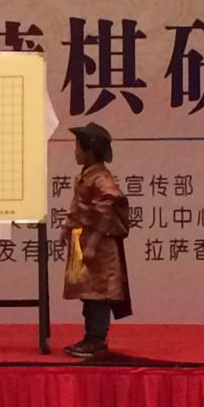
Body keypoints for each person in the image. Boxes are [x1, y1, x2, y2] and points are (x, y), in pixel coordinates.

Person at [61, 122, 132, 358]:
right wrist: (67, 228)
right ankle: (90, 337)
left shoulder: (101, 178)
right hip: (85, 240)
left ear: (89, 152)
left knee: (99, 294)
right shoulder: (87, 175)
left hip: (99, 246)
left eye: (77, 147)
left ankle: (96, 339)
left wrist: (92, 245)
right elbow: (78, 207)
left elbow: (106, 210)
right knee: (89, 293)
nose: (75, 152)